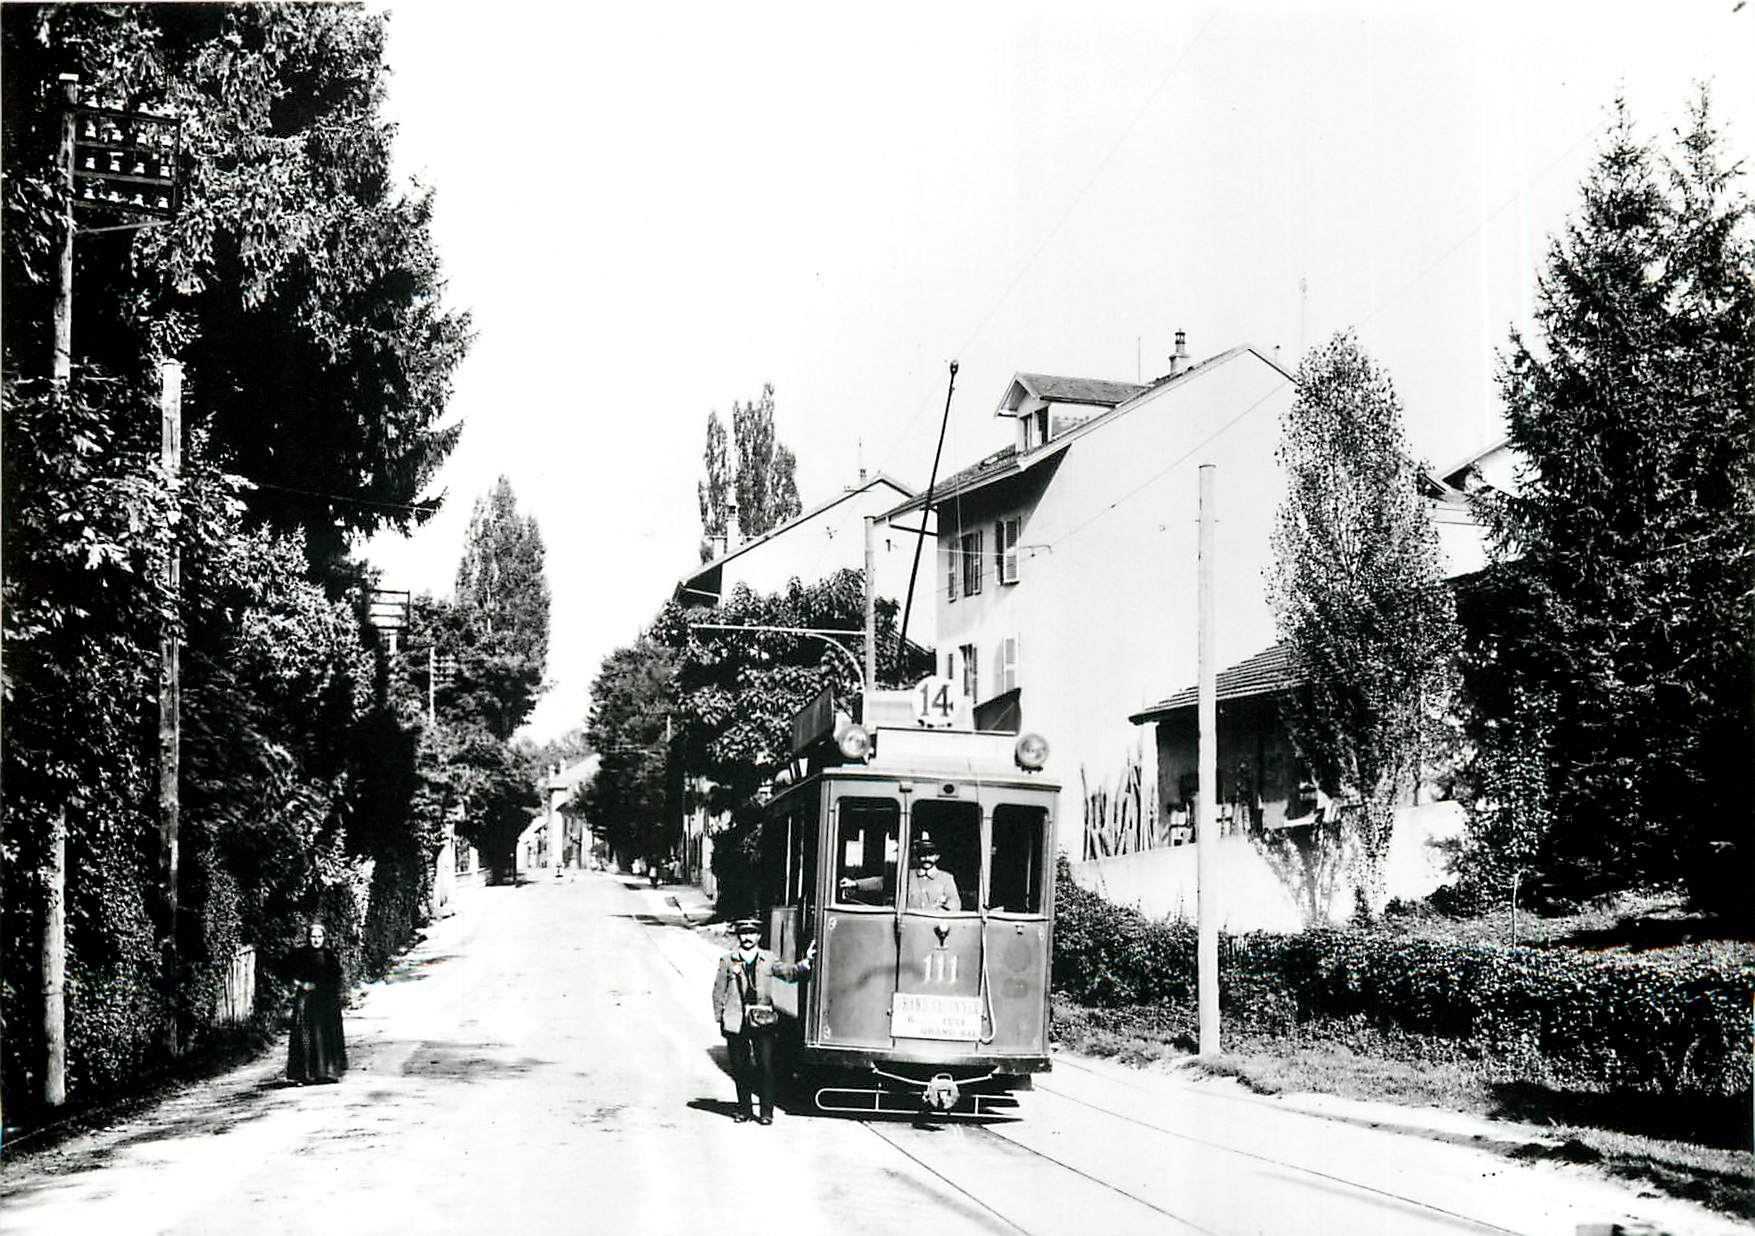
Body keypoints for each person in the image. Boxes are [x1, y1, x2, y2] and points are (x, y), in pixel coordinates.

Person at [711, 919, 814, 1124]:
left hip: (762, 1020)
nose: (747, 938)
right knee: (740, 1068)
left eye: (752, 933)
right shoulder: (728, 960)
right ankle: (743, 1110)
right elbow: (718, 991)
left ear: (759, 936)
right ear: (738, 936)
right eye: (743, 933)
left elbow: (788, 973)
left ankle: (766, 1112)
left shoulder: (768, 958)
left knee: (766, 1066)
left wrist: (805, 962)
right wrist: (721, 1019)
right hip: (735, 1020)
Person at [286, 921, 347, 1085]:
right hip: (306, 1002)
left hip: (325, 1001)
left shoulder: (329, 956)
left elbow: (337, 976)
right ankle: (305, 1074)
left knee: (325, 1035)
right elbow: (285, 970)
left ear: (324, 938)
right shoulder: (300, 954)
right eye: (313, 937)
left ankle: (326, 1073)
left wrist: (329, 991)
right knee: (305, 1036)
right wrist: (300, 984)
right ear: (308, 938)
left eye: (319, 937)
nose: (316, 940)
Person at [905, 835, 960, 911]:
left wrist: (942, 910)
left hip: (935, 922)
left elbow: (955, 903)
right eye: (923, 854)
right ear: (917, 856)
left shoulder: (946, 878)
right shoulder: (908, 876)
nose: (927, 858)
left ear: (937, 856)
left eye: (930, 854)